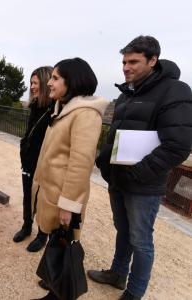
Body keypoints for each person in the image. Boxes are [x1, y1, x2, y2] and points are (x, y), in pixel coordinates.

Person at [89, 36, 192, 300]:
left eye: (133, 61)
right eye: (124, 61)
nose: (126, 66)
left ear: (153, 60)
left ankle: (134, 293)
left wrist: (138, 173)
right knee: (123, 231)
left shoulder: (175, 90)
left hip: (144, 186)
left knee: (141, 240)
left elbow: (178, 146)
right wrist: (104, 161)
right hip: (118, 179)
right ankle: (117, 274)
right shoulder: (128, 91)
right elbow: (116, 134)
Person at [32, 58, 109, 300]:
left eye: (55, 78)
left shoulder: (85, 114)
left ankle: (61, 293)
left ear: (72, 81)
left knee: (67, 244)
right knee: (58, 241)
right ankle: (55, 280)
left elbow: (80, 163)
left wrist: (69, 205)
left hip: (64, 197)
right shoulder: (64, 109)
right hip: (53, 192)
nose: (49, 83)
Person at [13, 66, 53, 252]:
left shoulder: (55, 109)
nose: (32, 87)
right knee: (27, 195)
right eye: (31, 83)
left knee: (43, 199)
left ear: (45, 84)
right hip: (28, 160)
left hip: (43, 163)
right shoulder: (35, 106)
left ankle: (42, 234)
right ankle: (26, 226)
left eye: (35, 83)